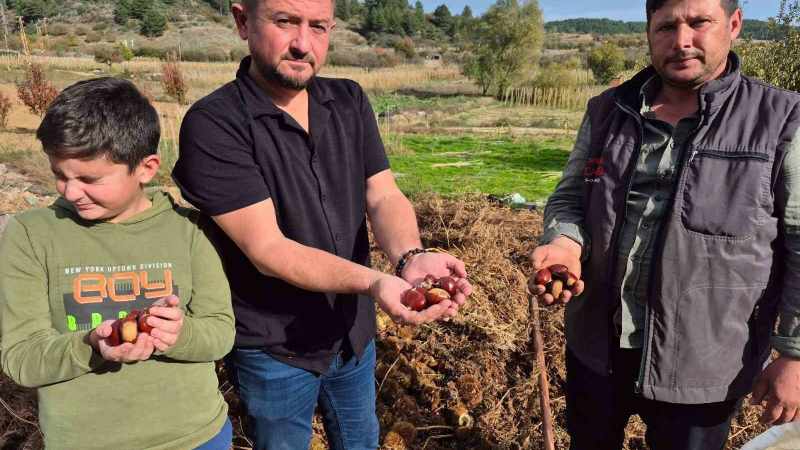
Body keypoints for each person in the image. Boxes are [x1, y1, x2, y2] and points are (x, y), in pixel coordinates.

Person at [171, 0, 472, 448]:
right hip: (274, 349)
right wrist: (374, 282)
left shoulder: (349, 100)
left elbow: (383, 194)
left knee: (360, 441)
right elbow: (268, 249)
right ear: (242, 21)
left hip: (352, 333)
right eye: (285, 22)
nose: (303, 44)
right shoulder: (214, 124)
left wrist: (410, 256)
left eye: (318, 27)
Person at [528, 0, 800, 449]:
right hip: (596, 346)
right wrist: (564, 242)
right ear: (648, 29)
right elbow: (572, 195)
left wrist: (793, 353)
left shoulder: (782, 119)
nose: (681, 41)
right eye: (666, 26)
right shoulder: (607, 110)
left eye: (699, 22)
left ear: (734, 24)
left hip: (706, 360)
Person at [0, 78, 236, 450]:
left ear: (146, 168)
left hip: (198, 437)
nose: (71, 192)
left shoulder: (190, 229)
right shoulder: (30, 235)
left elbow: (220, 333)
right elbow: (21, 358)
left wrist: (178, 334)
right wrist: (91, 345)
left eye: (89, 179)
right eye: (59, 174)